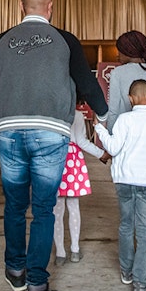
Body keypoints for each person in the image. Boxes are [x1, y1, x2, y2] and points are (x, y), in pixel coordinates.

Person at [0, 0, 109, 291]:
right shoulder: (66, 41)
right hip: (51, 132)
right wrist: (104, 117)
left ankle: (15, 270)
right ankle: (37, 286)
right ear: (50, 8)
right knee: (45, 208)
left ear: (22, 7)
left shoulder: (1, 42)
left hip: (9, 131)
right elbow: (85, 80)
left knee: (15, 206)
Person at [94, 79, 146, 291]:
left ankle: (126, 271)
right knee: (144, 229)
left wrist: (99, 130)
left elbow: (112, 147)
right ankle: (140, 283)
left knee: (125, 225)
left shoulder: (124, 120)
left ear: (130, 100)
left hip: (124, 182)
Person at [106, 29, 146, 269]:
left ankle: (136, 247)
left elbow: (114, 112)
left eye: (119, 50)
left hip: (128, 142)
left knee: (130, 197)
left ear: (126, 51)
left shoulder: (119, 74)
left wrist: (111, 144)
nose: (117, 54)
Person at [53, 105, 110, 266]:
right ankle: (75, 250)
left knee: (57, 210)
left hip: (54, 158)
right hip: (72, 161)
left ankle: (60, 253)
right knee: (73, 206)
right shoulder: (77, 114)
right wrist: (101, 154)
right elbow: (81, 142)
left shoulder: (53, 110)